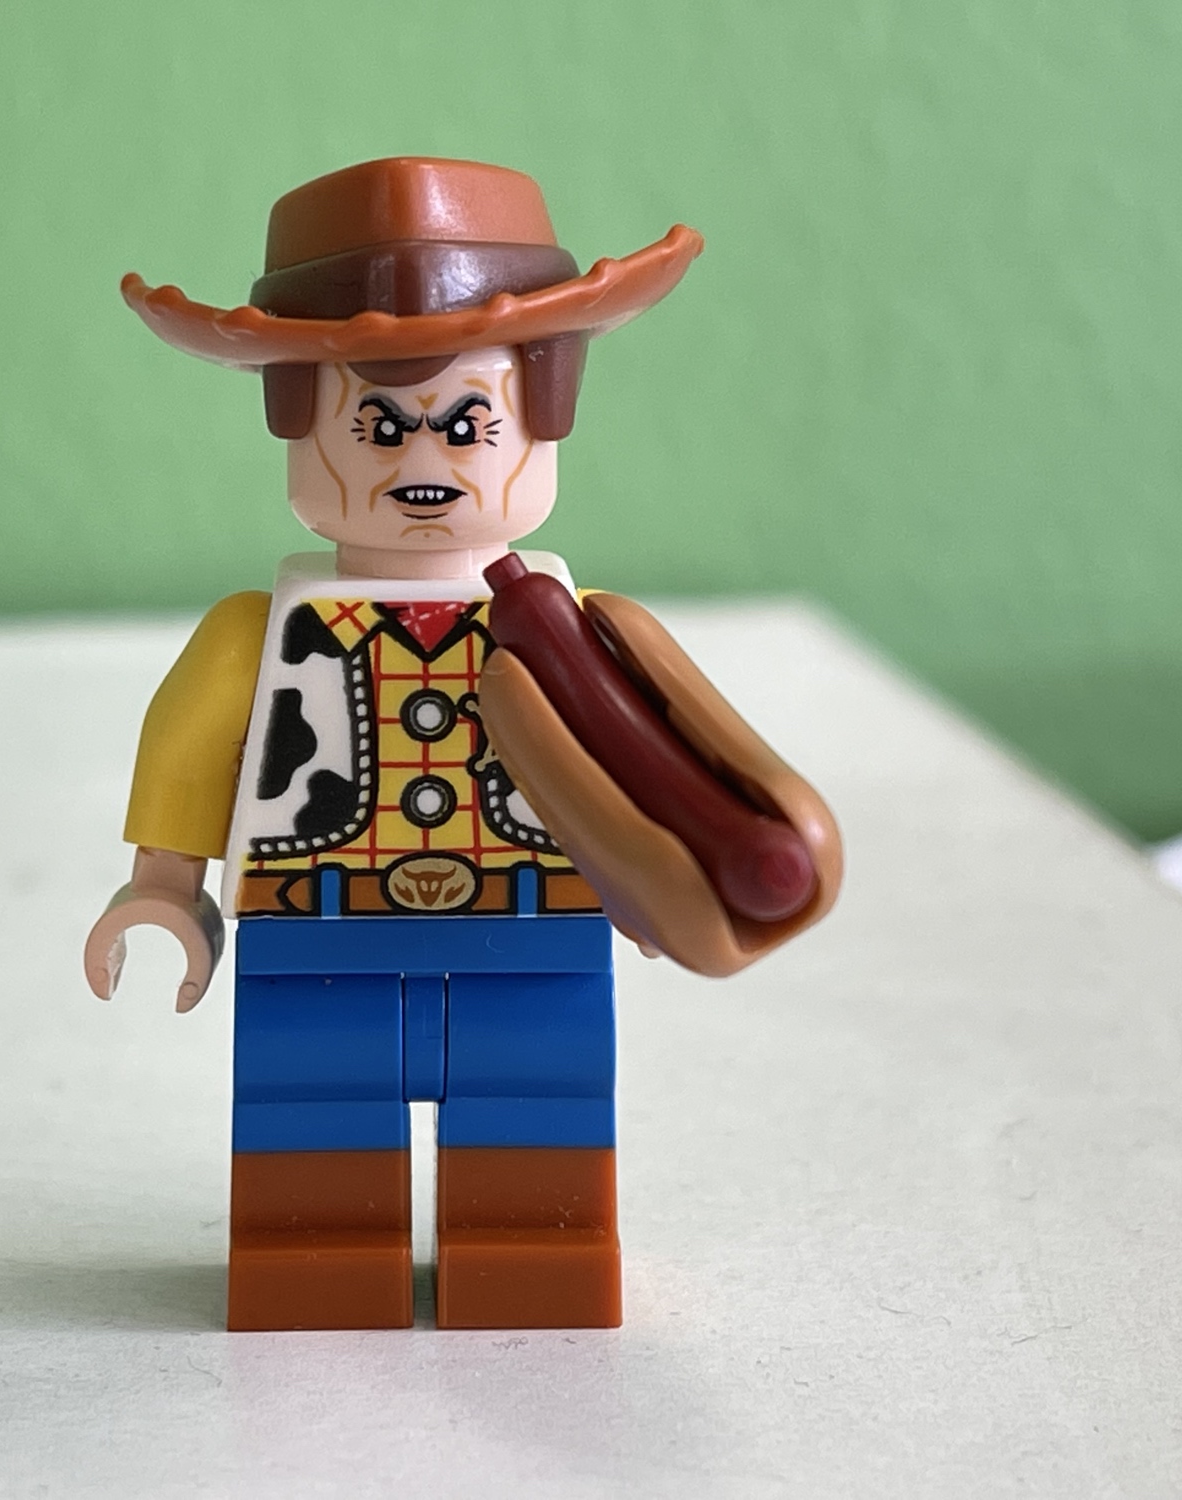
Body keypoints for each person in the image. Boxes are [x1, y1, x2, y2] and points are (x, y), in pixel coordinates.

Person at [86, 157, 838, 1331]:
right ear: (297, 424)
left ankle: (534, 1247)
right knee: (313, 1120)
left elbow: (659, 759)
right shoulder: (257, 633)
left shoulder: (582, 636)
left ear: (544, 418)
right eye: (377, 427)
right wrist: (164, 887)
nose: (421, 464)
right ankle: (315, 1254)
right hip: (317, 925)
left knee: (535, 1119)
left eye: (466, 424)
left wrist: (662, 877)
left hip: (533, 921)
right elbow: (190, 743)